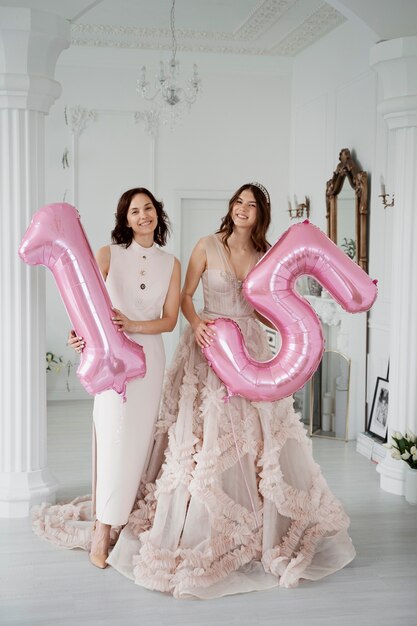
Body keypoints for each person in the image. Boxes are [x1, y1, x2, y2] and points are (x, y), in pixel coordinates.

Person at [106, 182, 356, 598]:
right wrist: (199, 324)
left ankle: (258, 516)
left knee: (255, 435)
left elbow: (269, 305)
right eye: (238, 202)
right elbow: (185, 297)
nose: (243, 209)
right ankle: (193, 514)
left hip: (250, 349)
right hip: (209, 343)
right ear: (231, 207)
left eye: (251, 205)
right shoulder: (207, 245)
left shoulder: (267, 255)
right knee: (202, 434)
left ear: (260, 214)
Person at [33, 187, 180, 569]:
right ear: (125, 219)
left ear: (157, 215)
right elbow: (82, 298)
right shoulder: (108, 254)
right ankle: (102, 528)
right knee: (112, 433)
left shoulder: (171, 263)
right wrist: (77, 333)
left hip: (150, 359)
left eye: (148, 208)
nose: (143, 215)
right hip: (112, 359)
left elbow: (170, 320)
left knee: (135, 442)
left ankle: (118, 521)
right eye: (135, 211)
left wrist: (133, 324)